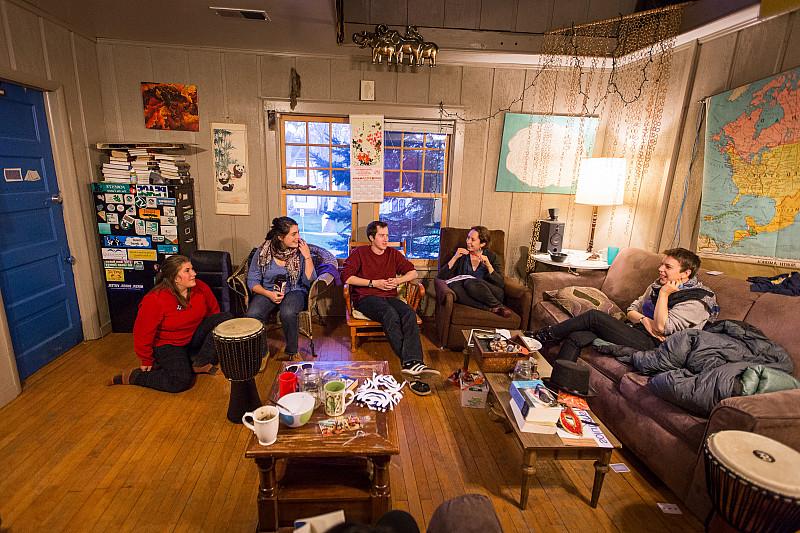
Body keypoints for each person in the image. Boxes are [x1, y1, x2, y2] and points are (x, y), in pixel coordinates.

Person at [529, 247, 719, 362]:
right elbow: (632, 310)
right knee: (578, 336)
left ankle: (541, 337)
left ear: (686, 273)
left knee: (594, 317)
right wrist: (644, 320)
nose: (660, 269)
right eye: (662, 264)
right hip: (638, 331)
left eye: (668, 267)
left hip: (658, 347)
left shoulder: (696, 300)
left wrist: (664, 295)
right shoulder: (657, 285)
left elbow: (662, 328)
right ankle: (560, 389)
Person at [108, 255, 233, 392]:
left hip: (192, 336)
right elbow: (142, 333)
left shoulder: (200, 287)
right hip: (168, 345)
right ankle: (136, 376)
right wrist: (146, 359)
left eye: (192, 269)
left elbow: (213, 313)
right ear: (175, 278)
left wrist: (209, 347)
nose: (194, 273)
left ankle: (200, 362)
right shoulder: (155, 299)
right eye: (187, 271)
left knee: (225, 318)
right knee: (180, 381)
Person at [342, 221, 440, 393]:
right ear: (372, 238)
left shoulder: (393, 254)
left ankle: (412, 366)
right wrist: (374, 283)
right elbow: (346, 277)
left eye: (387, 235)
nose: (386, 239)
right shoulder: (360, 253)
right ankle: (412, 363)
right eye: (381, 235)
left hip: (390, 296)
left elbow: (413, 272)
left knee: (409, 312)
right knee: (390, 314)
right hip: (366, 298)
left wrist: (398, 280)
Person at [245, 216, 316, 359]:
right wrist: (268, 294)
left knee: (288, 312)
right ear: (280, 237)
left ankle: (292, 351)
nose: (298, 237)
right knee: (253, 314)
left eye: (298, 233)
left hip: (294, 290)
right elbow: (253, 281)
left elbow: (310, 280)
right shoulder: (263, 252)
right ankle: (262, 353)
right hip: (268, 290)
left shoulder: (300, 251)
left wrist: (307, 256)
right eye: (293, 234)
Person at [437, 225, 511, 317]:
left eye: (472, 239)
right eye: (468, 238)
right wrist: (455, 257)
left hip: (492, 293)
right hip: (469, 293)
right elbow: (441, 276)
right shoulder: (462, 255)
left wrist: (488, 265)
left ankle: (497, 304)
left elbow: (500, 283)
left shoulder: (492, 257)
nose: (468, 242)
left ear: (482, 244)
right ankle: (492, 308)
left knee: (470, 283)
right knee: (455, 287)